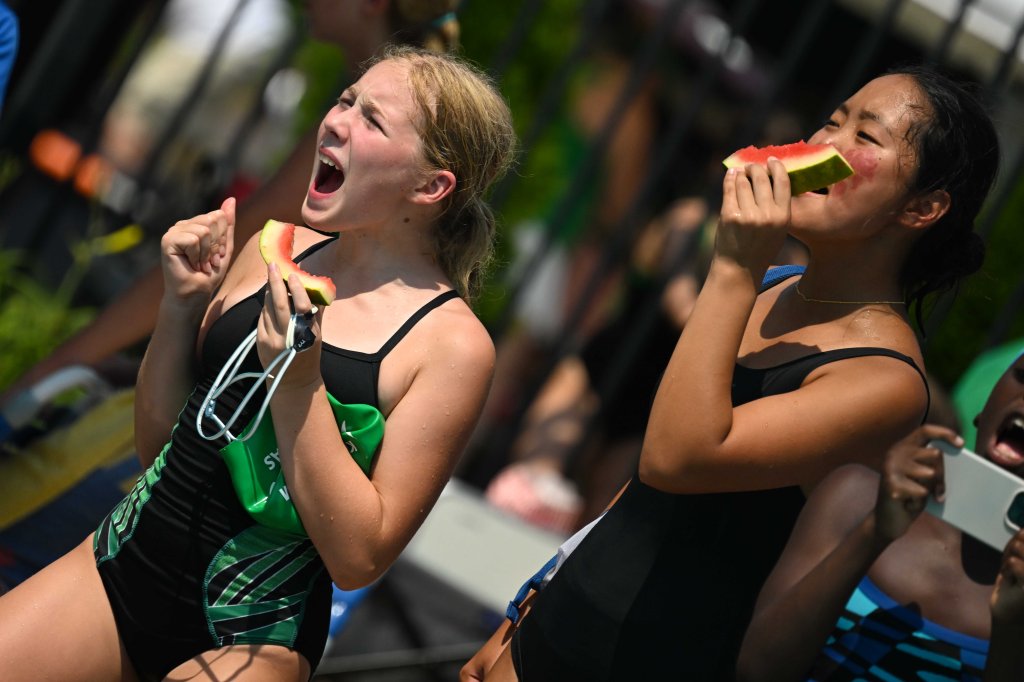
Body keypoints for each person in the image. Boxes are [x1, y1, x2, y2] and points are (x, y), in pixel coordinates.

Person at [462, 63, 1000, 681]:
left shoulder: (887, 382)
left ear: (923, 208)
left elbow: (676, 458)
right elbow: (639, 494)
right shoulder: (774, 285)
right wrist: (532, 595)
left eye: (865, 136)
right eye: (833, 120)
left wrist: (734, 267)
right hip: (555, 625)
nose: (825, 144)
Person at [0, 44, 515, 682]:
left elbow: (359, 557)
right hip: (118, 566)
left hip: (252, 636)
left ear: (431, 186)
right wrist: (181, 307)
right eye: (346, 100)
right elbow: (158, 444)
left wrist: (299, 386)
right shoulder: (273, 249)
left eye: (372, 120)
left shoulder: (451, 345)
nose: (337, 122)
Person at [0, 0, 462, 405]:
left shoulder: (361, 122)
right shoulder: (375, 108)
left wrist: (53, 370)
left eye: (372, 121)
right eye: (347, 106)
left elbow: (230, 245)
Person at [737, 352, 1024, 681]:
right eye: (1023, 377)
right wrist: (874, 533)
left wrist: (1011, 632)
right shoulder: (857, 496)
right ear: (985, 406)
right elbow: (755, 671)